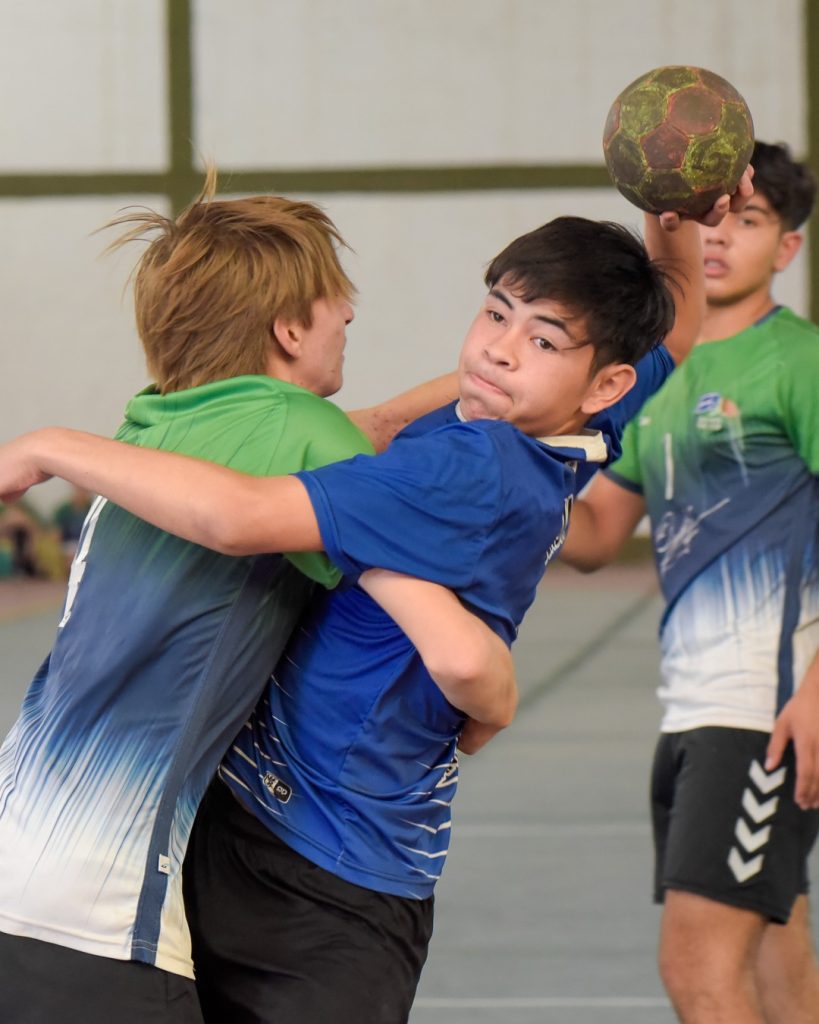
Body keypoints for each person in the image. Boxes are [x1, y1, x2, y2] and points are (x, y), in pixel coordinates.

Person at [0, 175, 752, 1022]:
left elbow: (242, 514)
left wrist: (48, 445)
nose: (499, 351)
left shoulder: (456, 468)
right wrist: (672, 210)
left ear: (605, 384)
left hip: (297, 854)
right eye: (494, 314)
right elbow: (672, 322)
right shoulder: (546, 430)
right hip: (308, 851)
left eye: (542, 340)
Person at [0, 171, 467, 1024]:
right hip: (99, 915)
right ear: (288, 328)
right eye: (334, 300)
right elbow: (362, 455)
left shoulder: (157, 423)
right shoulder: (299, 431)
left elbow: (372, 427)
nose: (350, 314)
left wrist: (495, 374)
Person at [560, 141, 819, 1024]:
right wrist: (495, 471)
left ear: (785, 246)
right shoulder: (656, 377)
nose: (719, 237)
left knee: (697, 969)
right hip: (693, 705)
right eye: (707, 217)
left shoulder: (799, 363)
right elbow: (596, 534)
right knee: (776, 956)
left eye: (746, 219)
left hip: (767, 708)